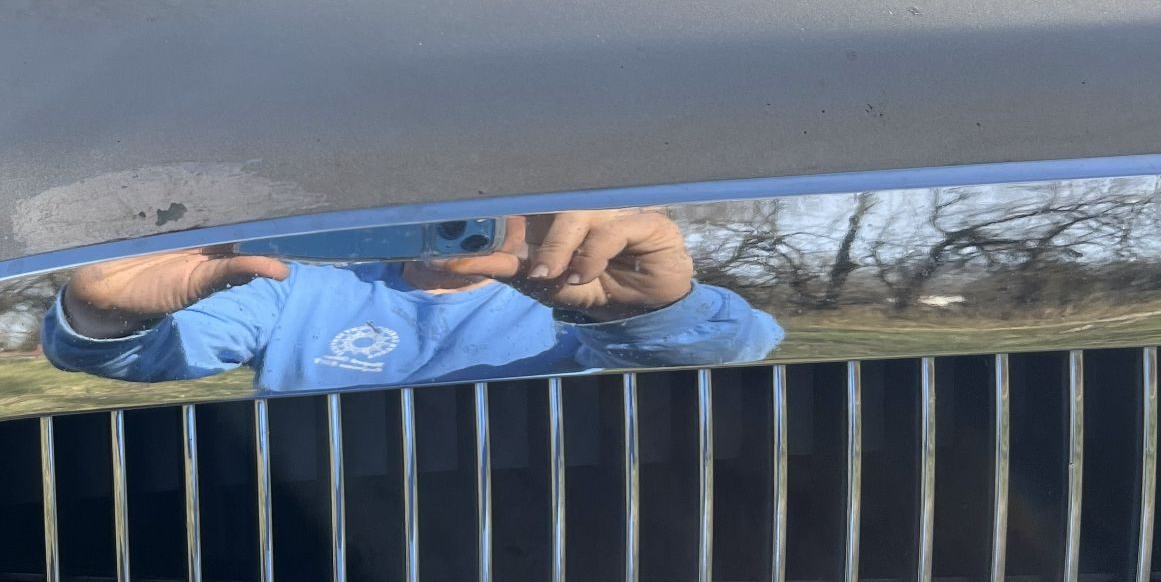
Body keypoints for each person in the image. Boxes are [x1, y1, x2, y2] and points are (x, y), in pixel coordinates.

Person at [42, 208, 783, 394]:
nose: (459, 213)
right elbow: (144, 357)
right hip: (317, 565)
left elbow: (738, 353)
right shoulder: (295, 281)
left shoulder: (586, 299)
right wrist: (106, 311)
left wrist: (641, 311)